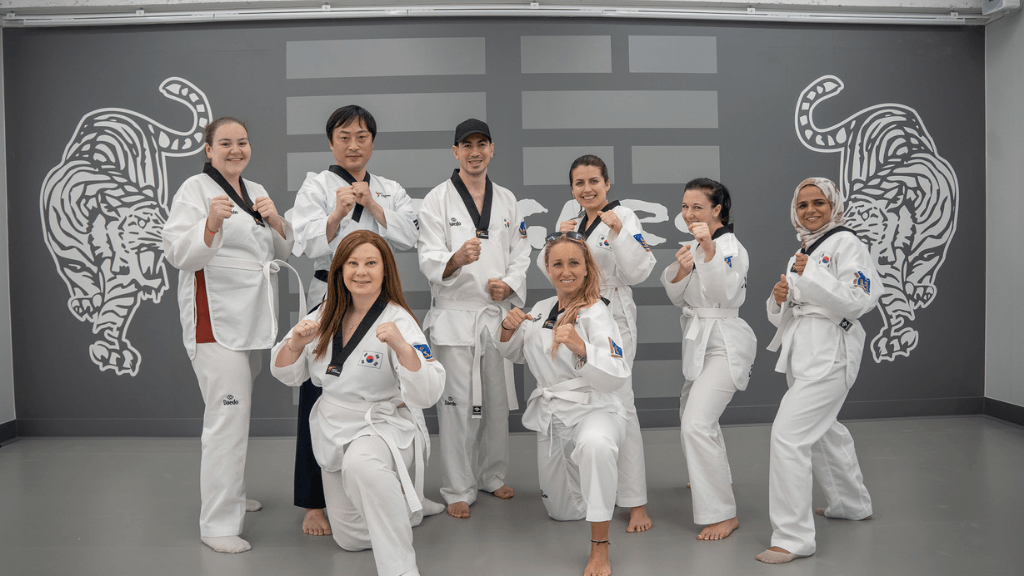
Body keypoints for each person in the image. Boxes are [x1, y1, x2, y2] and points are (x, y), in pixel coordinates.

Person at [270, 230, 445, 576]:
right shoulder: (325, 312)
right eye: (353, 263)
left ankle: (401, 569)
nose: (361, 271)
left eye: (371, 263)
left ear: (385, 271)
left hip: (381, 427)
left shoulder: (399, 320)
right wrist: (294, 343)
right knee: (350, 538)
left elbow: (429, 391)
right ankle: (402, 506)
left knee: (362, 466)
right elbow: (287, 374)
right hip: (333, 428)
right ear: (339, 270)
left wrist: (402, 348)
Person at [162, 117, 296, 553]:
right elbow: (179, 253)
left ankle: (233, 497)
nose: (235, 149)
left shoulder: (254, 190)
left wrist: (276, 221)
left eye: (242, 142)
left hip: (251, 317)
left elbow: (280, 250)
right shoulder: (194, 191)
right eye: (225, 143)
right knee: (226, 419)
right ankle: (217, 524)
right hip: (214, 320)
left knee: (237, 414)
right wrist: (210, 225)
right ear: (208, 149)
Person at [286, 105, 420, 536]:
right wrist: (335, 215)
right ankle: (313, 501)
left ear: (372, 142)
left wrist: (375, 207)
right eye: (344, 136)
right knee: (317, 390)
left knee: (394, 384)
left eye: (362, 136)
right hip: (329, 295)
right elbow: (301, 244)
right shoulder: (316, 185)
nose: (353, 144)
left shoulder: (390, 188)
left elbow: (411, 236)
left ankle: (398, 484)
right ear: (331, 143)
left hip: (378, 297)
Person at [756, 177, 880, 564]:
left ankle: (793, 538)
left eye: (818, 203)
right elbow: (784, 313)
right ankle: (851, 503)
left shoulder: (847, 243)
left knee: (789, 436)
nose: (810, 211)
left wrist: (810, 275)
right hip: (802, 350)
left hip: (832, 350)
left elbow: (860, 300)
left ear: (834, 205)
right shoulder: (802, 251)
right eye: (802, 205)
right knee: (824, 429)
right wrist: (779, 301)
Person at [495, 232, 630, 576]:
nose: (565, 271)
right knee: (562, 511)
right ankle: (601, 487)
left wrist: (582, 347)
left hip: (594, 407)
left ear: (587, 269)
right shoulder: (541, 310)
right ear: (547, 268)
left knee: (595, 445)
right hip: (554, 412)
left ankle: (600, 546)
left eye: (574, 263)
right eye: (558, 263)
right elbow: (516, 355)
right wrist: (508, 330)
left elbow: (617, 375)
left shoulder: (598, 312)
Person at [416, 118, 531, 518]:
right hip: (454, 316)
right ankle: (457, 488)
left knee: (496, 403)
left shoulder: (508, 200)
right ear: (455, 152)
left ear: (492, 149)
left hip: (493, 314)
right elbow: (427, 255)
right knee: (456, 404)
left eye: (482, 144)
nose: (475, 151)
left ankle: (492, 476)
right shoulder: (436, 200)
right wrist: (455, 260)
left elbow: (521, 250)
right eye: (467, 145)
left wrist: (510, 284)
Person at [544, 154, 655, 533]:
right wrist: (560, 236)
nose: (587, 189)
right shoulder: (573, 221)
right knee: (587, 398)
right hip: (578, 310)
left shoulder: (623, 218)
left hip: (614, 313)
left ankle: (635, 501)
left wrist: (620, 232)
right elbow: (558, 266)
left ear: (607, 183)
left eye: (594, 181)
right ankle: (591, 490)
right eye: (579, 183)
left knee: (620, 401)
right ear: (572, 188)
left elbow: (640, 270)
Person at [660, 178, 756, 541]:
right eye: (684, 207)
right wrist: (683, 269)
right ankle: (709, 478)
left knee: (697, 423)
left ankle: (723, 513)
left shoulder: (729, 246)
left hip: (726, 343)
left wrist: (707, 250)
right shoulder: (696, 246)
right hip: (700, 340)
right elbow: (676, 296)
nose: (688, 214)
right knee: (694, 415)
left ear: (717, 210)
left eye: (697, 207)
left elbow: (724, 292)